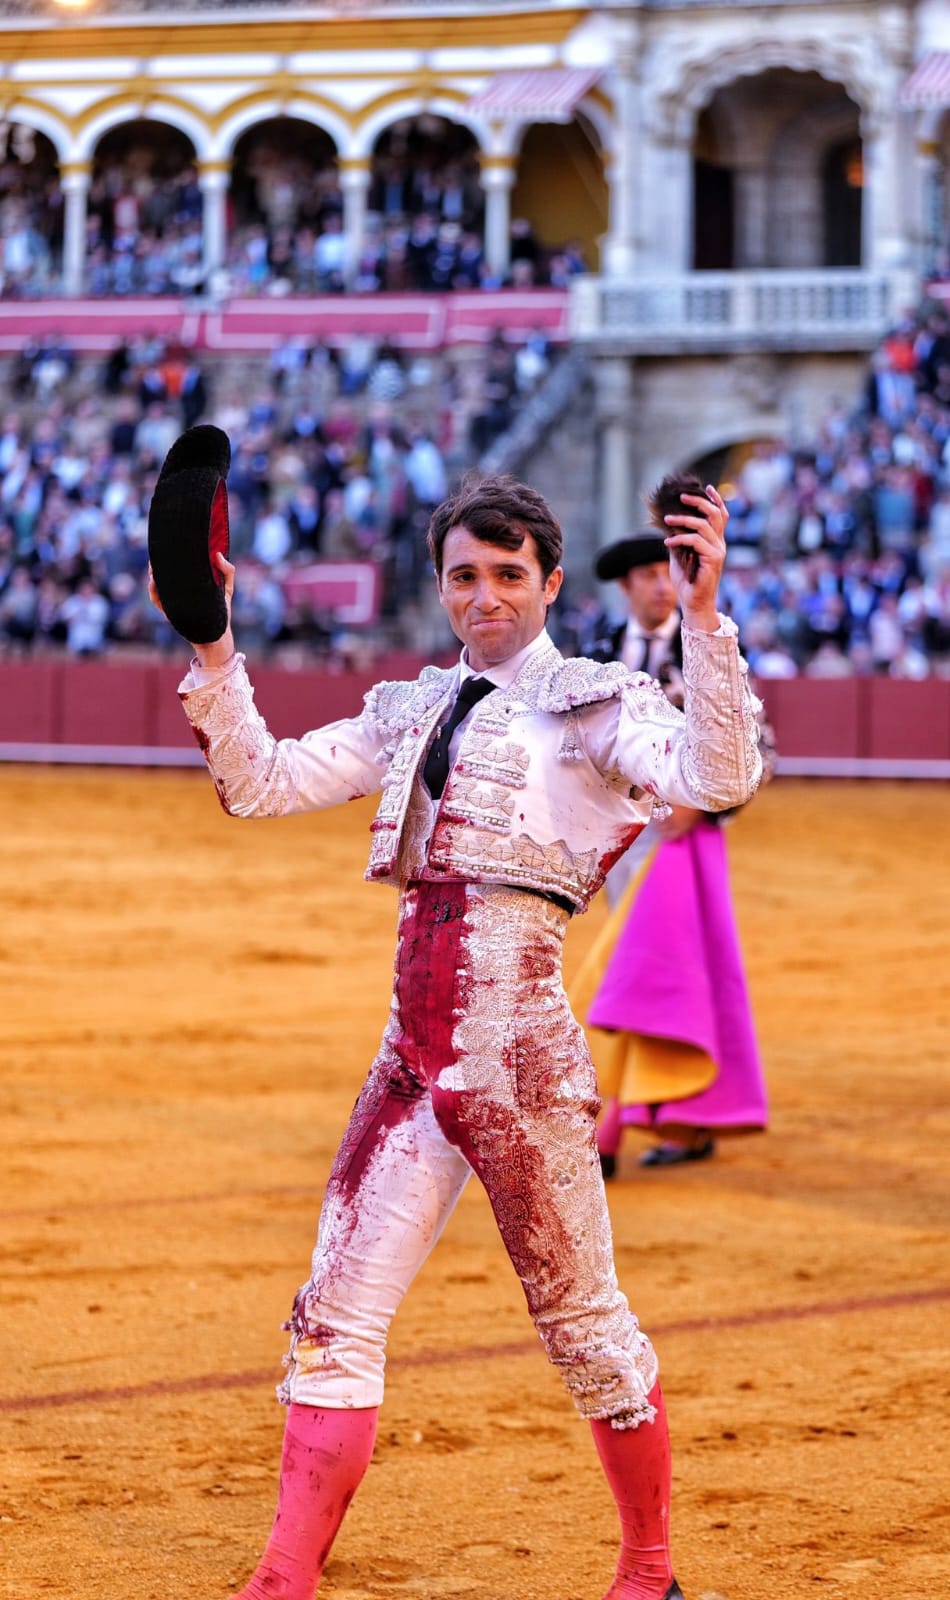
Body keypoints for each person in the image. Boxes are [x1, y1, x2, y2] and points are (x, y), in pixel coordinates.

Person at [148, 447, 763, 1600]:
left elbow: (713, 778)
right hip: (410, 1055)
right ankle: (283, 1574)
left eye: (507, 574)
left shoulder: (594, 702)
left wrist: (701, 616)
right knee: (333, 1313)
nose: (484, 596)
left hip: (520, 1060)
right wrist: (213, 643)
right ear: (438, 584)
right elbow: (260, 783)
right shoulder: (411, 705)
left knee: (583, 1323)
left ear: (549, 582)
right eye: (463, 575)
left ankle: (649, 1572)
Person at [572, 490, 769, 1176]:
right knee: (654, 974)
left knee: (644, 974)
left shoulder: (707, 645)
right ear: (626, 586)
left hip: (681, 844)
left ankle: (610, 1130)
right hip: (614, 841)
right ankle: (682, 1118)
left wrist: (703, 810)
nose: (662, 585)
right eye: (649, 576)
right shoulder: (594, 655)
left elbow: (757, 746)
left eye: (668, 573)